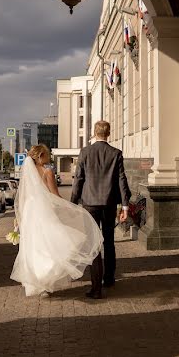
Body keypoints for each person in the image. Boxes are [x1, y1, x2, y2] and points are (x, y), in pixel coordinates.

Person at [10, 144, 102, 296]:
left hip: (29, 212)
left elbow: (23, 197)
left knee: (34, 246)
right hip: (44, 210)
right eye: (46, 155)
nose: (49, 158)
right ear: (40, 157)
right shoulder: (48, 172)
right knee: (52, 244)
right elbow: (55, 196)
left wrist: (18, 217)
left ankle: (39, 284)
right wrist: (71, 209)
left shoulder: (27, 174)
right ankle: (45, 279)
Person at [71, 120, 131, 299]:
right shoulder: (116, 153)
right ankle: (109, 278)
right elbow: (122, 180)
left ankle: (96, 287)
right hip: (109, 203)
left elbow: (78, 180)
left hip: (89, 203)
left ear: (94, 133)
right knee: (109, 241)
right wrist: (125, 206)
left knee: (92, 244)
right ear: (109, 133)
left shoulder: (85, 152)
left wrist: (73, 204)